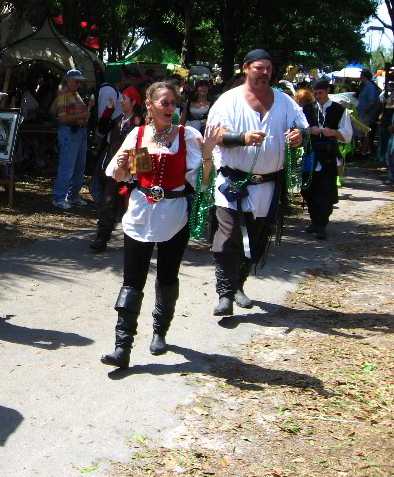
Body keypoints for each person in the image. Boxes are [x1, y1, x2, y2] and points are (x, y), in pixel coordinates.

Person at [100, 82, 218, 368]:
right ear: (150, 106)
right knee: (132, 281)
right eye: (163, 102)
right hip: (141, 214)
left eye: (172, 103)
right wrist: (123, 164)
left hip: (174, 216)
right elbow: (117, 175)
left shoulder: (187, 136)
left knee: (167, 277)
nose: (169, 107)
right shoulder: (137, 135)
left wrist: (207, 154)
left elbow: (203, 182)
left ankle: (160, 333)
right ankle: (122, 347)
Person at [207, 49, 307, 316]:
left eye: (268, 69)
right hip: (232, 183)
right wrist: (242, 138)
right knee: (228, 237)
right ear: (245, 68)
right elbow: (214, 136)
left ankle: (239, 284)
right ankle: (224, 293)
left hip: (269, 186)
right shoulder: (227, 101)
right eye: (259, 68)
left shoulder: (286, 102)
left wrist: (298, 137)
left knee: (256, 241)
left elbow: (302, 129)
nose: (264, 73)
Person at [89, 88, 143, 252]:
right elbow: (103, 128)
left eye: (124, 99)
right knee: (108, 202)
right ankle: (102, 238)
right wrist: (109, 110)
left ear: (133, 102)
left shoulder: (141, 123)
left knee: (132, 205)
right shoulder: (118, 119)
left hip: (133, 169)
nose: (121, 101)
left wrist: (136, 174)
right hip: (114, 168)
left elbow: (141, 149)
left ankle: (135, 242)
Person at [301, 78, 352, 239]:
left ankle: (322, 223)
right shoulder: (307, 109)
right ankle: (314, 220)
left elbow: (347, 135)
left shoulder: (339, 110)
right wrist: (309, 130)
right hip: (311, 153)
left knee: (326, 190)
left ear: (327, 91)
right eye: (315, 93)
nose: (318, 96)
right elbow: (299, 129)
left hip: (328, 154)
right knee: (308, 189)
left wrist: (334, 132)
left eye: (320, 93)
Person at [50, 69, 94, 209]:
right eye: (76, 81)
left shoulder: (75, 95)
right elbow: (62, 118)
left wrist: (88, 109)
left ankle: (72, 195)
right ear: (67, 81)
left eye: (80, 81)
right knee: (67, 166)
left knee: (79, 166)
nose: (79, 84)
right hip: (69, 132)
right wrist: (83, 116)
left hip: (79, 132)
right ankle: (59, 197)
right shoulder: (63, 96)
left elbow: (83, 114)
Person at [357, 69, 382, 156]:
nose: (360, 77)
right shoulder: (365, 87)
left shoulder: (370, 87)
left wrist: (364, 112)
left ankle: (364, 152)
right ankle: (362, 150)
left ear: (364, 76)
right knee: (362, 132)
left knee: (365, 132)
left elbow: (371, 101)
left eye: (361, 76)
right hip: (363, 112)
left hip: (366, 114)